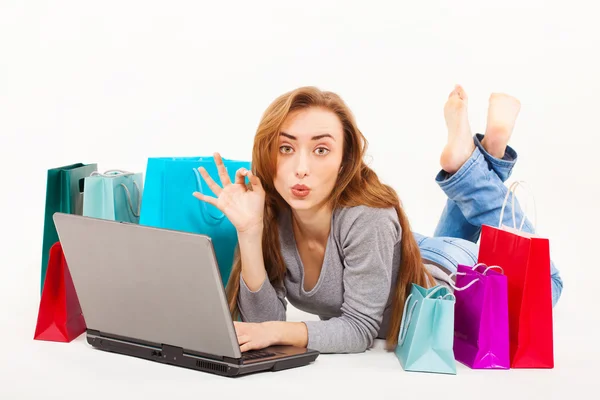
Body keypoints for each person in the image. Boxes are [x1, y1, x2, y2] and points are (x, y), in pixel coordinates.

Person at [193, 85, 563, 354]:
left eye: (321, 149)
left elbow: (358, 330)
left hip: (449, 282)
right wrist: (249, 231)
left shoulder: (367, 217)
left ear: (344, 161)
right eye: (286, 148)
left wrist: (279, 331)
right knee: (425, 257)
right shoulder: (272, 217)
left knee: (547, 284)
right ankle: (488, 152)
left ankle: (466, 166)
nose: (300, 169)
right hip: (411, 268)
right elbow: (262, 324)